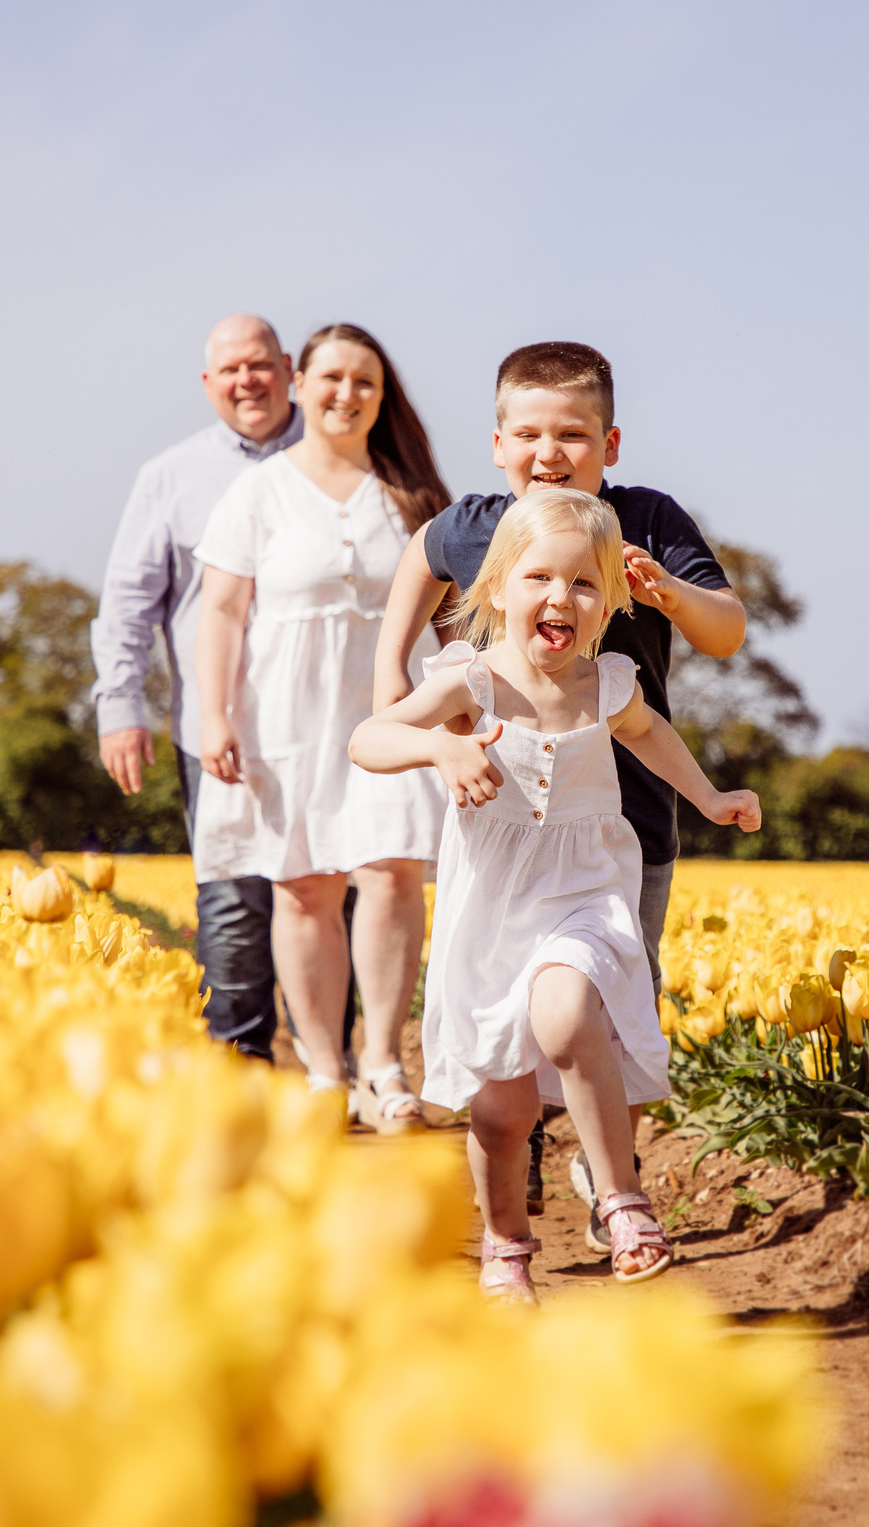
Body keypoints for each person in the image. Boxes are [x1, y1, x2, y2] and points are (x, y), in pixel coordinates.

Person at [351, 488, 762, 1302]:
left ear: (610, 601)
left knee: (570, 1010)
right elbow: (370, 739)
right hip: (493, 910)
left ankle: (623, 1199)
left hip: (583, 889)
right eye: (539, 577)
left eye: (584, 584)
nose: (559, 598)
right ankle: (506, 1245)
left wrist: (710, 797)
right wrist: (439, 749)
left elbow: (650, 735)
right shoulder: (470, 681)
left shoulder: (608, 682)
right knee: (501, 1116)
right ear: (497, 586)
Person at [192, 323, 450, 1127]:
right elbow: (223, 613)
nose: (347, 394)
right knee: (302, 884)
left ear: (384, 396)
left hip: (389, 711)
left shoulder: (412, 492)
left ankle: (382, 1063)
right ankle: (324, 1072)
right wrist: (214, 714)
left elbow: (452, 616)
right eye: (332, 377)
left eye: (365, 381)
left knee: (391, 872)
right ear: (298, 384)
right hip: (284, 717)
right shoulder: (257, 492)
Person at [90, 314, 305, 1061]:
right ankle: (240, 1067)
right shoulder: (170, 476)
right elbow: (127, 600)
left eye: (260, 364)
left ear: (287, 366)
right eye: (230, 370)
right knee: (234, 898)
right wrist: (121, 705)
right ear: (208, 384)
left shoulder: (341, 456)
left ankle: (329, 1071)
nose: (247, 381)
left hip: (328, 724)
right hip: (216, 729)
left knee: (329, 898)